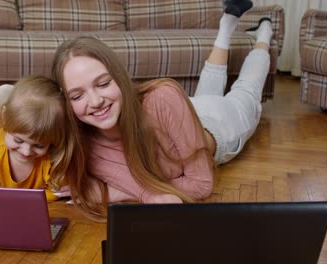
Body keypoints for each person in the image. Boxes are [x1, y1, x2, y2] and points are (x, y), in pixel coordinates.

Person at [50, 0, 273, 220]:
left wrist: (113, 193)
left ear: (119, 77)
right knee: (208, 88)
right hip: (180, 116)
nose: (96, 101)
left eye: (103, 83)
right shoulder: (85, 144)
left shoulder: (163, 96)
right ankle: (227, 24)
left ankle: (264, 34)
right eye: (77, 96)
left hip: (217, 125)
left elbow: (201, 185)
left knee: (247, 91)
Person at [0, 75, 71, 202]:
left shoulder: (54, 155)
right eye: (18, 140)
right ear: (5, 118)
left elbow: (56, 193)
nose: (26, 152)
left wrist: (10, 195)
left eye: (39, 145)